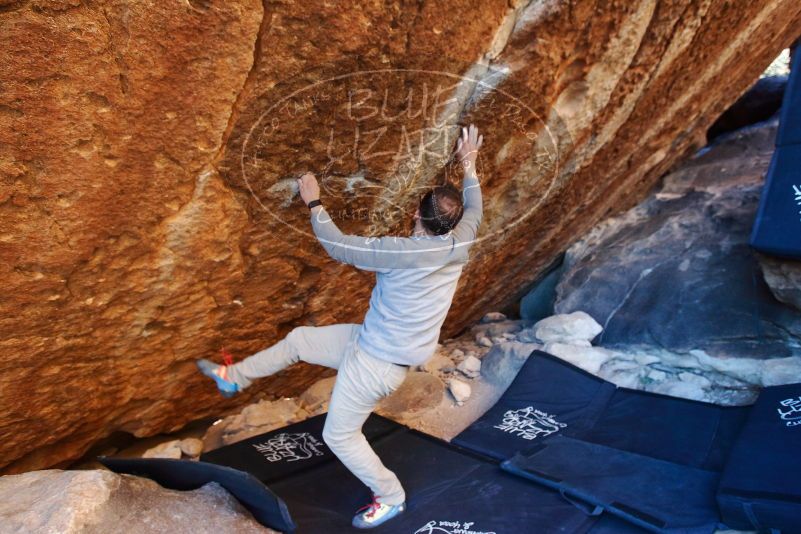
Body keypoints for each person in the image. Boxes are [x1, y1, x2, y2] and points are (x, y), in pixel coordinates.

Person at [197, 124, 484, 529]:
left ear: (416, 212)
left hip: (377, 365)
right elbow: (475, 208)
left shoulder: (399, 252)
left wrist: (314, 202)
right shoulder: (461, 242)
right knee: (299, 341)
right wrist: (468, 163)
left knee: (340, 437)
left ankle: (390, 496)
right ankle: (233, 377)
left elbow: (338, 245)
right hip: (368, 343)